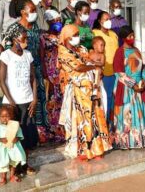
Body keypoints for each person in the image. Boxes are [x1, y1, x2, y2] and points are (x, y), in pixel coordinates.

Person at [58, 24, 112, 160]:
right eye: (74, 36)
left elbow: (87, 61)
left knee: (95, 118)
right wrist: (94, 65)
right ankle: (83, 151)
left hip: (92, 88)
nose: (77, 38)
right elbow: (79, 67)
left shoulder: (81, 48)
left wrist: (92, 66)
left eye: (77, 35)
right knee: (81, 121)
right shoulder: (63, 52)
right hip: (77, 92)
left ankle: (97, 149)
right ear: (66, 38)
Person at [5, 0, 47, 147]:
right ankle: (26, 136)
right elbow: (7, 52)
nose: (35, 13)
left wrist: (43, 67)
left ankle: (40, 132)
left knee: (40, 100)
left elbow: (40, 47)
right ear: (23, 12)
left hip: (37, 69)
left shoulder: (35, 26)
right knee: (26, 105)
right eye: (32, 10)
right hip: (22, 72)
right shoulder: (13, 29)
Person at [0, 23, 38, 175]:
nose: (26, 40)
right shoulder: (6, 56)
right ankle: (13, 168)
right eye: (24, 38)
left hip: (27, 101)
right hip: (12, 104)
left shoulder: (28, 55)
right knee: (12, 138)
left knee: (27, 137)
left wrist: (34, 99)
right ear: (15, 39)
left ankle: (25, 164)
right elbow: (2, 80)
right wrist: (11, 101)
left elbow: (33, 78)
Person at [113, 26, 145, 149]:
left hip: (139, 87)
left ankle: (139, 140)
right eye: (129, 36)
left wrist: (144, 80)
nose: (132, 38)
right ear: (124, 38)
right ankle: (126, 142)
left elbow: (142, 68)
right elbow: (119, 72)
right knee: (127, 116)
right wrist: (132, 85)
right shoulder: (120, 52)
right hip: (126, 89)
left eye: (133, 35)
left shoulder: (137, 50)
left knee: (138, 114)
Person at [39, 9, 65, 143]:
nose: (58, 23)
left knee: (62, 101)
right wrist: (45, 74)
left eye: (59, 20)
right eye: (56, 20)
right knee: (52, 102)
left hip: (62, 72)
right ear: (49, 21)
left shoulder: (63, 36)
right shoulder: (43, 37)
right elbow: (42, 56)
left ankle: (63, 131)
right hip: (50, 72)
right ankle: (52, 131)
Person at [93, 11, 119, 130]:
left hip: (115, 72)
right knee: (106, 98)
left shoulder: (113, 34)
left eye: (110, 19)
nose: (108, 21)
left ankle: (113, 124)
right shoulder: (95, 33)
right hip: (104, 72)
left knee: (114, 99)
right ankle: (105, 125)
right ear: (99, 21)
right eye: (105, 19)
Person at [0, 106, 26, 185]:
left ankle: (12, 175)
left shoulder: (15, 126)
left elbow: (20, 136)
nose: (4, 118)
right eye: (2, 116)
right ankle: (3, 177)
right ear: (0, 117)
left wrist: (16, 139)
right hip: (2, 149)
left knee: (13, 162)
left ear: (12, 116)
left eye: (7, 116)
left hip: (13, 148)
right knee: (3, 163)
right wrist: (1, 139)